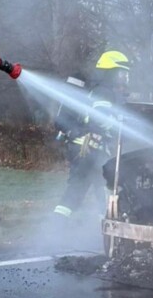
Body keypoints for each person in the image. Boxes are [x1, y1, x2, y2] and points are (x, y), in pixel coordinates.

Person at [51, 51, 130, 224]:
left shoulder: (102, 90)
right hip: (88, 150)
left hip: (90, 149)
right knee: (84, 190)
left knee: (102, 189)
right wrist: (121, 127)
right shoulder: (103, 92)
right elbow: (101, 119)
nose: (124, 78)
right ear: (111, 72)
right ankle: (56, 227)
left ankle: (105, 227)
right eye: (121, 74)